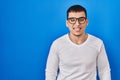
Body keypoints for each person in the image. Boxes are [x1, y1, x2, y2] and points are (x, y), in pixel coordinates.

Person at [45, 5, 111, 80]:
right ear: (67, 23)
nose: (77, 24)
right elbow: (51, 72)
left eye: (81, 19)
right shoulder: (57, 44)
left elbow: (104, 71)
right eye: (72, 20)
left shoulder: (98, 43)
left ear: (86, 22)